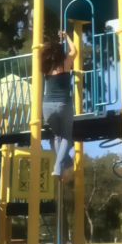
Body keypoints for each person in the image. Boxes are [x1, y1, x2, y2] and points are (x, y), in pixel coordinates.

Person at [41, 31, 77, 181]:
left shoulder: (45, 68)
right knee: (67, 136)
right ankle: (58, 167)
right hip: (63, 104)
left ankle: (64, 164)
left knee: (57, 136)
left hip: (47, 107)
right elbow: (74, 50)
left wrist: (45, 46)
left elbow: (42, 51)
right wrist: (67, 36)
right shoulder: (65, 63)